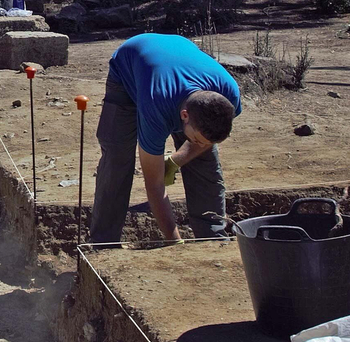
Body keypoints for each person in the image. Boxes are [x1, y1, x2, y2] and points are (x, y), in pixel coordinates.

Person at [89, 33, 240, 244]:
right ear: (184, 116)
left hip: (176, 55)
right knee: (117, 158)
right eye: (197, 140)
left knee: (204, 160)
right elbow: (155, 185)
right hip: (128, 67)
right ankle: (104, 242)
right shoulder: (156, 107)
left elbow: (206, 141)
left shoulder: (229, 95)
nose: (200, 145)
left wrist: (176, 161)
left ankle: (213, 239)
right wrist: (174, 242)